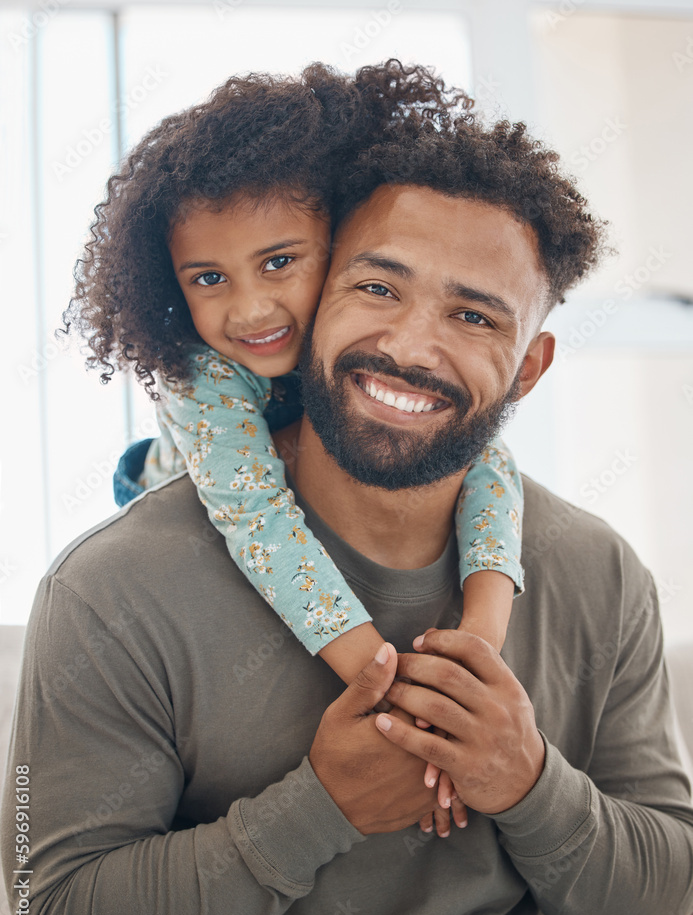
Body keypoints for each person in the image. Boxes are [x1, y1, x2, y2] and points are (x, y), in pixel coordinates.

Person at [4, 99, 693, 915]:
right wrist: (319, 808)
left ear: (529, 366)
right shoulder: (114, 589)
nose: (410, 345)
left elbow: (654, 914)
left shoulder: (594, 570)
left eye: (476, 317)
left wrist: (524, 782)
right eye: (377, 288)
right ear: (320, 296)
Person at [64, 61, 523, 822]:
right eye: (207, 278)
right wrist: (394, 695)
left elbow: (490, 462)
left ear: (341, 238)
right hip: (188, 500)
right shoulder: (200, 374)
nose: (249, 309)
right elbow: (258, 522)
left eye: (279, 262)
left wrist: (477, 646)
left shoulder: (361, 341)